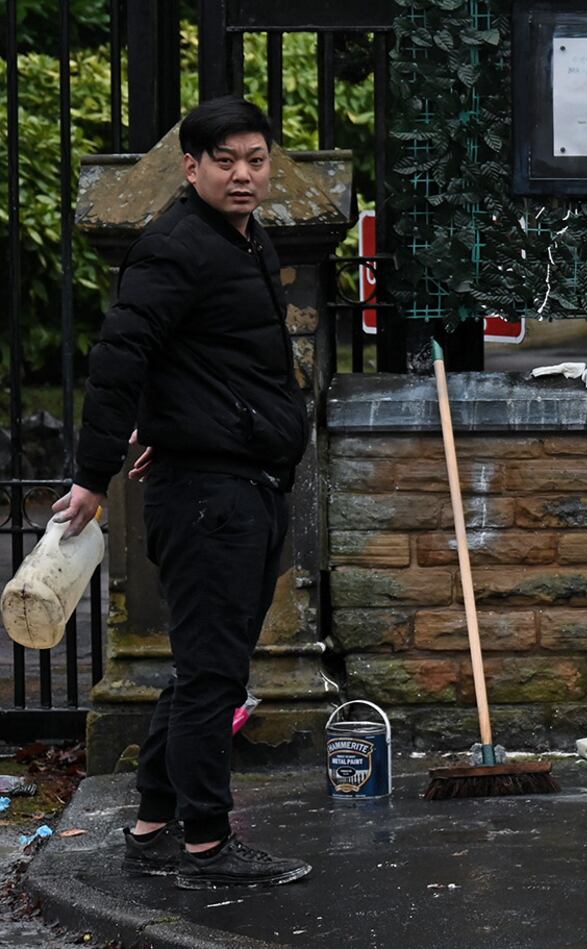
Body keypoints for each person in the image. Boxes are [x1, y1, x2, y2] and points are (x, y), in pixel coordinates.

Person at [52, 97, 312, 888]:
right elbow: (121, 356)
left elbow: (205, 361)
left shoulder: (247, 240)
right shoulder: (175, 248)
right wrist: (91, 478)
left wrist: (174, 418)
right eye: (225, 160)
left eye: (256, 159)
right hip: (207, 496)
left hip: (245, 481)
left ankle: (152, 824)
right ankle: (207, 847)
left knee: (207, 667)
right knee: (212, 678)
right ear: (191, 167)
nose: (243, 174)